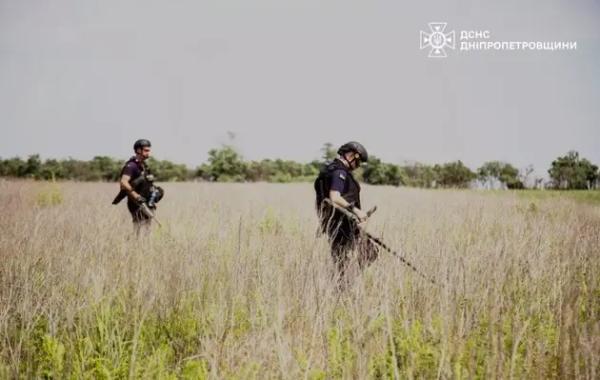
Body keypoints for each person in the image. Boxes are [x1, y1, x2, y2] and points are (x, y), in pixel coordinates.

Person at [314, 141, 378, 275]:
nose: (357, 166)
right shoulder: (339, 172)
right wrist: (357, 211)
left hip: (337, 224)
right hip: (343, 226)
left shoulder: (329, 170)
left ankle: (347, 280)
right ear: (351, 156)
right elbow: (334, 197)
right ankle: (350, 279)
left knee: (344, 262)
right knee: (365, 254)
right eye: (358, 162)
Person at [112, 139, 163, 234]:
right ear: (139, 150)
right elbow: (123, 182)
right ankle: (135, 246)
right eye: (146, 150)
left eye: (149, 150)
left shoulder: (143, 165)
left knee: (147, 230)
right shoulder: (131, 165)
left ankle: (144, 248)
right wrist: (136, 195)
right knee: (139, 230)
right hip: (137, 203)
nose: (149, 152)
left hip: (146, 201)